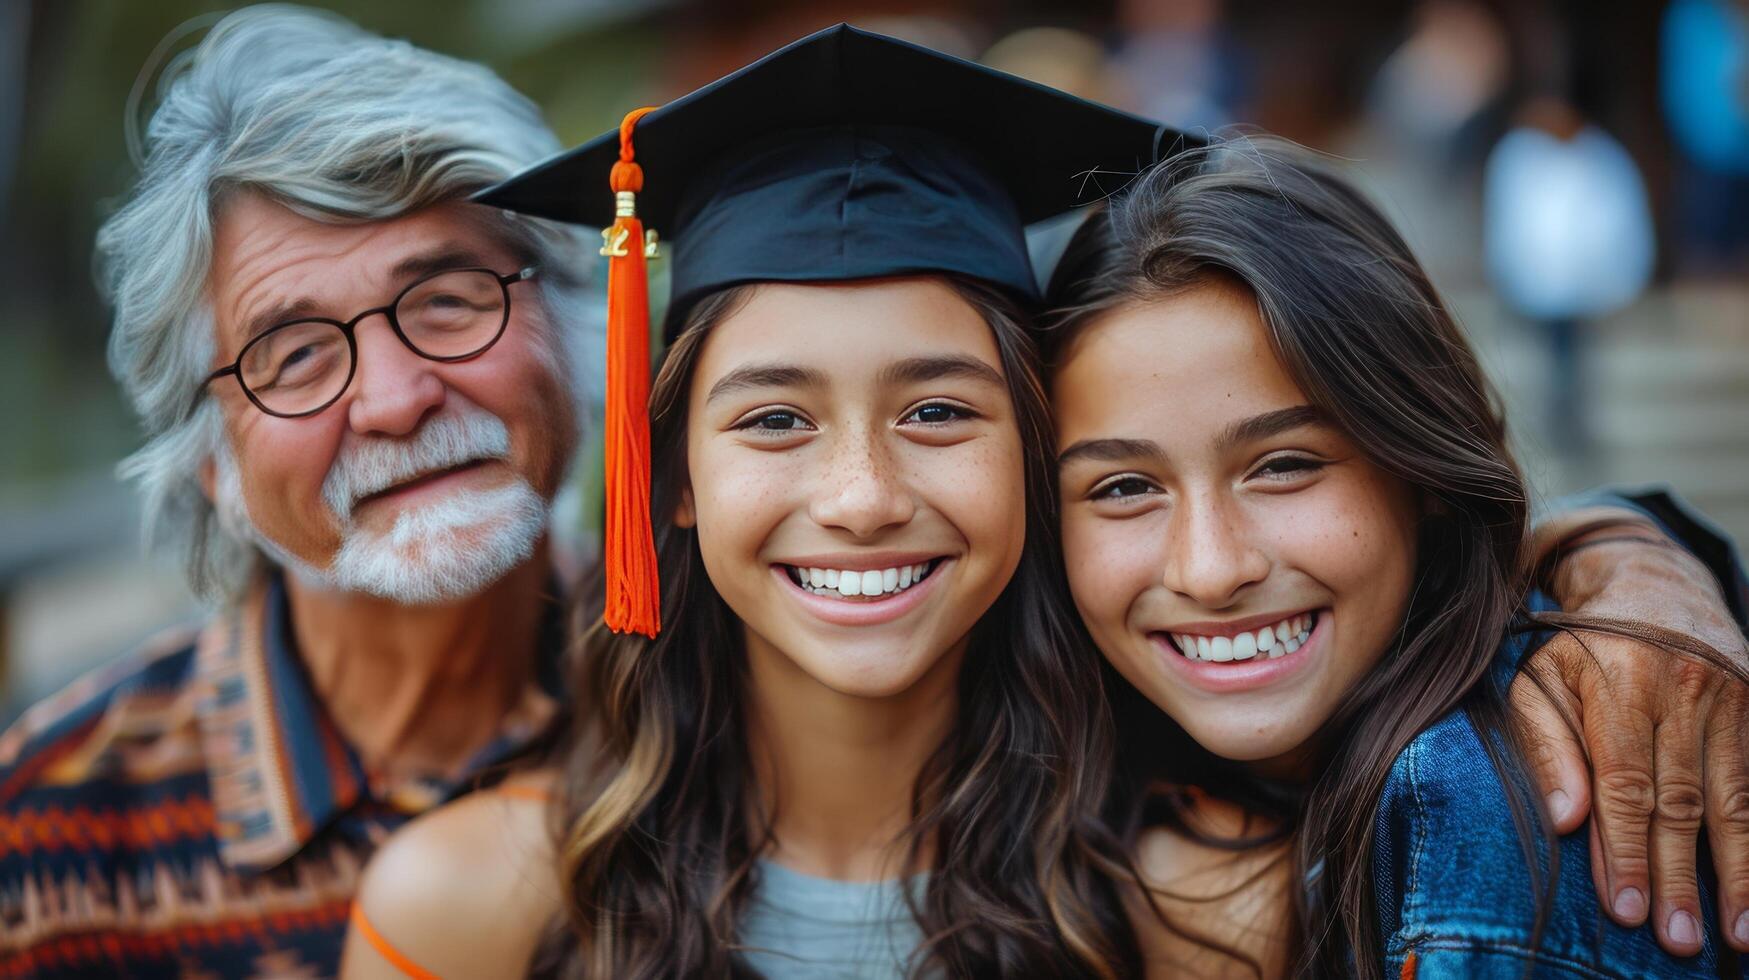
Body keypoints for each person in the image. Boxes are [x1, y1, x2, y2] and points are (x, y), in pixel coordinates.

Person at [341, 26, 1749, 979]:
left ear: (1035, 457)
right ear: (675, 480)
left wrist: (1625, 555)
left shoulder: (1213, 903)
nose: (861, 495)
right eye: (772, 418)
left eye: (940, 412)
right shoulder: (467, 910)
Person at [1044, 136, 1749, 976]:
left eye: (1284, 466)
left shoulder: (1515, 808)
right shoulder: (1053, 786)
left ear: (1423, 469)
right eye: (1123, 487)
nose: (1208, 569)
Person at [0, 7, 595, 977]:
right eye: (297, 355)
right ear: (214, 468)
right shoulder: (45, 836)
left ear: (572, 329)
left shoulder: (730, 709)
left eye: (450, 299)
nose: (397, 400)